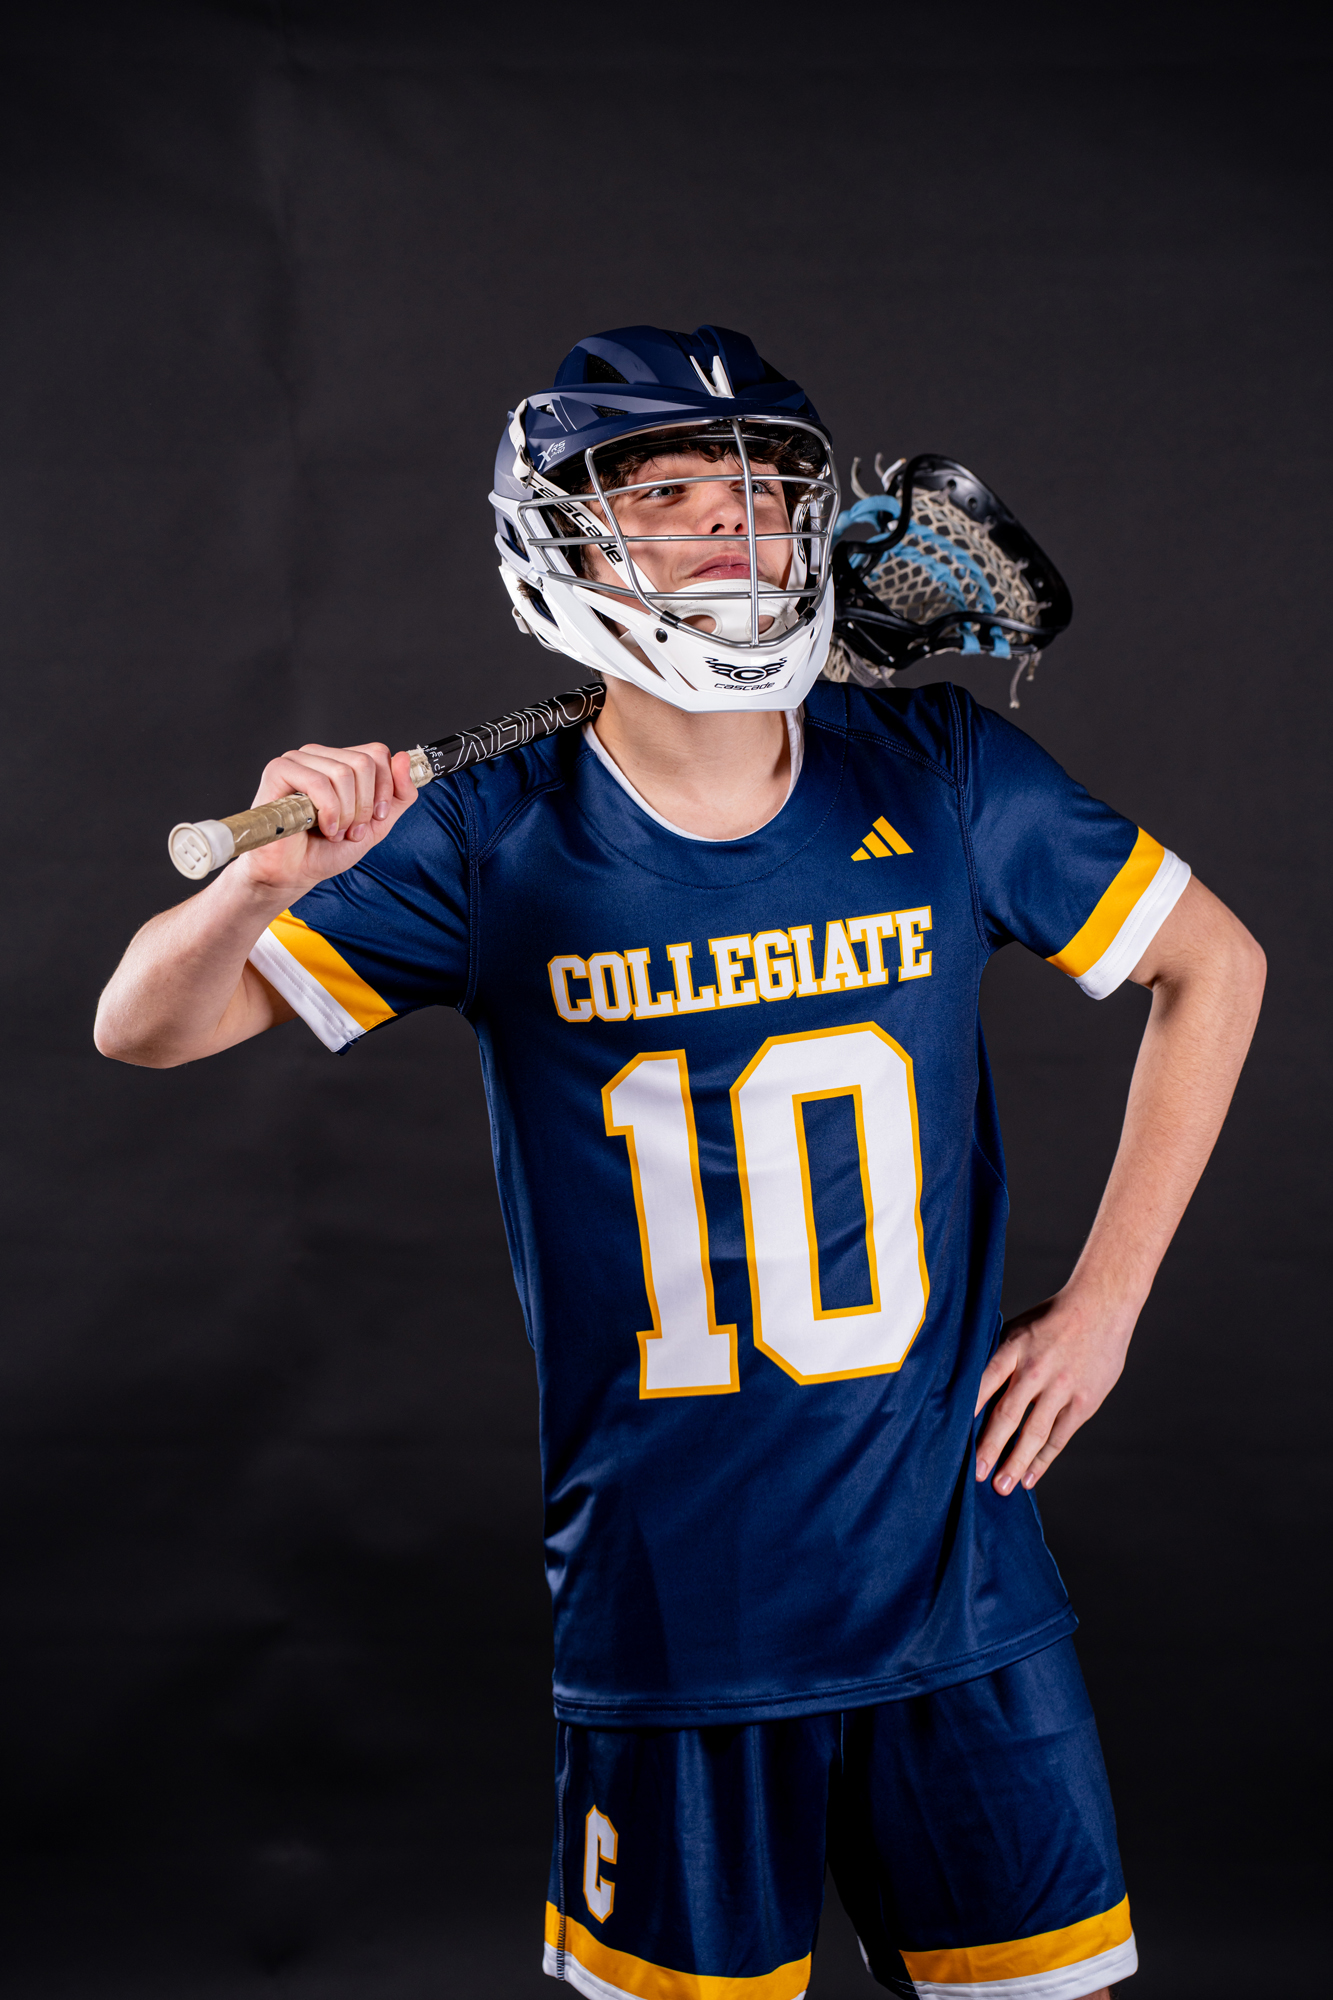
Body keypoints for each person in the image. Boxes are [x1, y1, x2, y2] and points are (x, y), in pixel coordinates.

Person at [95, 325, 1265, 2000]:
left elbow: (1213, 964)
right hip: (670, 1618)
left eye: (758, 489)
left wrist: (1106, 1307)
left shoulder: (940, 770)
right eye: (664, 493)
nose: (728, 520)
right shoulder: (484, 834)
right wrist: (260, 887)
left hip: (960, 1594)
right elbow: (142, 1025)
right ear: (566, 542)